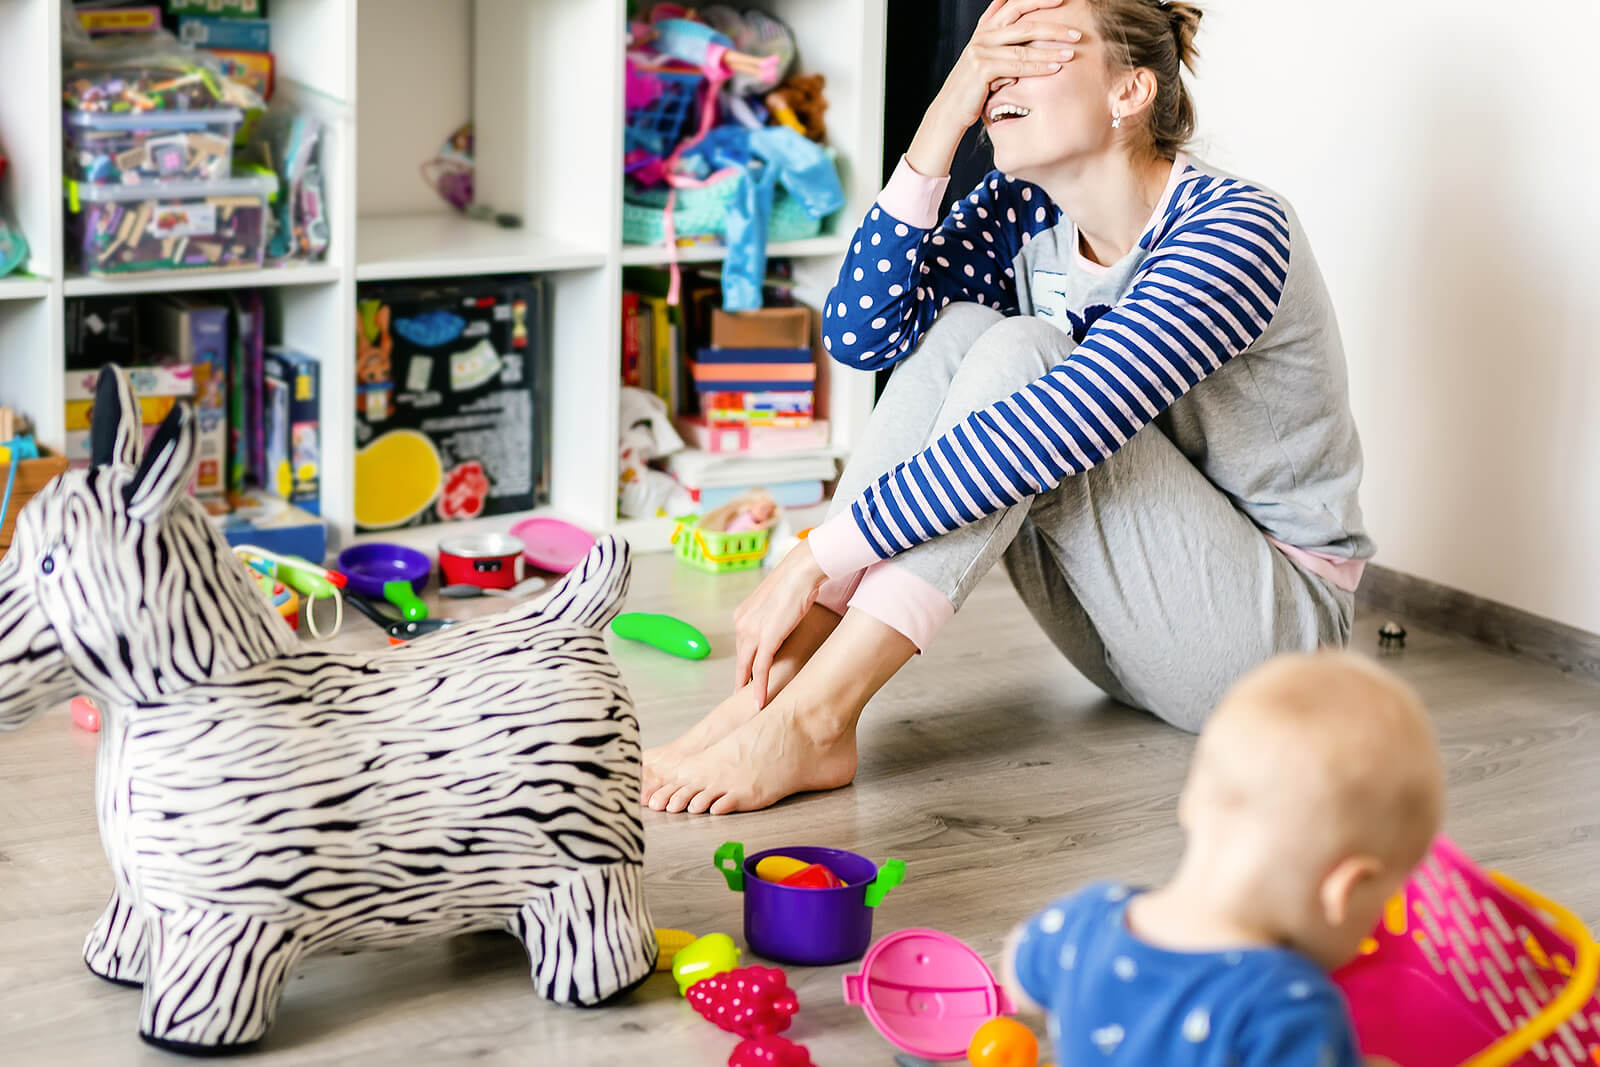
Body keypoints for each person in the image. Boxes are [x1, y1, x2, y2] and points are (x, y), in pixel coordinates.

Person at [643, 0, 1372, 815]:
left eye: (1033, 49)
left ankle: (818, 717)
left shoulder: (1235, 229)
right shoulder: (1023, 211)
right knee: (959, 328)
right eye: (992, 52)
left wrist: (818, 551)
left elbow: (1063, 423)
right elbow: (861, 333)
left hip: (1272, 650)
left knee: (1029, 357)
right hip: (1125, 635)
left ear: (1128, 92)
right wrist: (945, 113)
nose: (999, 71)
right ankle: (779, 689)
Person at [1001, 651, 1440, 1066]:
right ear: (1342, 890)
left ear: (1190, 803)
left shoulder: (1083, 923)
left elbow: (1018, 973)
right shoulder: (1288, 1011)